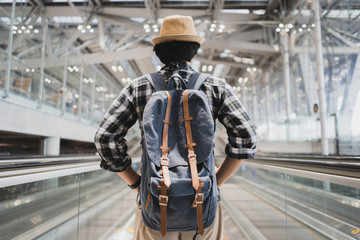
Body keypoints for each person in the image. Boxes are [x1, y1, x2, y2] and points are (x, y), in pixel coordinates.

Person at [94, 15, 257, 240]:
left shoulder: (138, 87)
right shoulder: (216, 86)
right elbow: (246, 137)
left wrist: (135, 182)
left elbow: (105, 137)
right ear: (194, 51)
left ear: (159, 53)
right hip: (203, 203)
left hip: (154, 201)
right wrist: (216, 181)